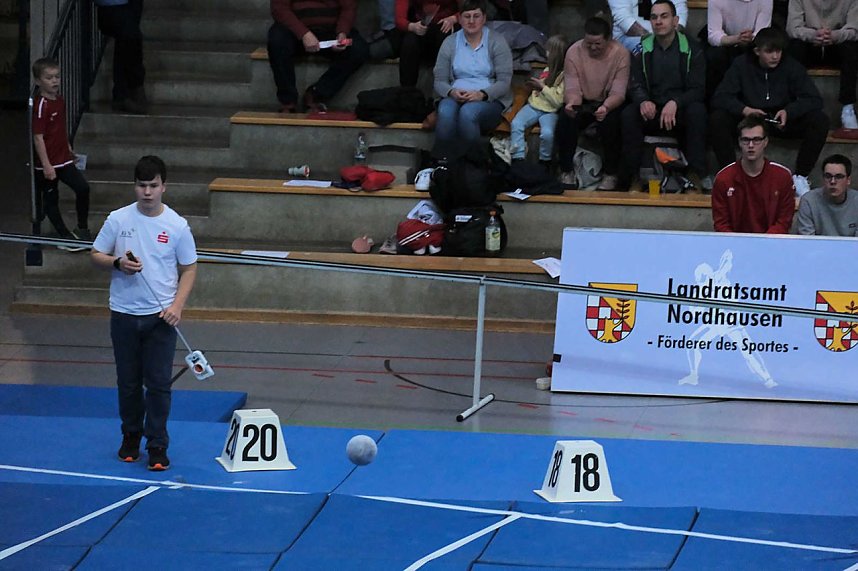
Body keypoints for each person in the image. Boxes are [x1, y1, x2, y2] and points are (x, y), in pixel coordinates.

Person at [90, 156, 198, 471]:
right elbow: (96, 254)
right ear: (134, 187)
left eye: (153, 185)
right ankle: (130, 437)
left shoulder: (177, 225)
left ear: (164, 186)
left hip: (160, 318)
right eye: (141, 185)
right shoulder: (117, 220)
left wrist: (177, 306)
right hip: (122, 314)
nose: (147, 192)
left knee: (159, 384)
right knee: (128, 382)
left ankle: (157, 445)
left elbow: (189, 268)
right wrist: (116, 263)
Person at [710, 27, 829, 197]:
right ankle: (731, 175)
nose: (775, 56)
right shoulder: (741, 65)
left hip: (780, 121)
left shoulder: (791, 66)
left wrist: (789, 111)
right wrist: (745, 110)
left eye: (778, 51)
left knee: (820, 120)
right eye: (769, 51)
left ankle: (800, 176)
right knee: (717, 118)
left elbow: (814, 99)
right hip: (750, 121)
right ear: (757, 51)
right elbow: (721, 97)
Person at [618, 0, 707, 192]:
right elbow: (635, 83)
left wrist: (676, 102)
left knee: (698, 112)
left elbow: (698, 89)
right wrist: (643, 101)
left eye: (664, 16)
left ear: (675, 21)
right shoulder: (642, 48)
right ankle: (634, 175)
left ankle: (695, 173)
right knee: (628, 114)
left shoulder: (693, 48)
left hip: (679, 110)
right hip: (653, 110)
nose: (658, 21)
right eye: (654, 17)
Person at [555, 16, 629, 189]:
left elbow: (619, 91)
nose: (593, 48)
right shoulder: (573, 52)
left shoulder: (621, 54)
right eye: (589, 44)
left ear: (608, 40)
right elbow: (572, 86)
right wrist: (571, 103)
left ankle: (611, 173)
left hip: (609, 102)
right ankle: (566, 171)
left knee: (613, 123)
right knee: (565, 119)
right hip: (583, 100)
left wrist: (606, 106)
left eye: (598, 44)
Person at [432, 0, 512, 151]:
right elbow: (439, 80)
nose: (471, 21)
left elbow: (504, 82)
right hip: (455, 95)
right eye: (467, 16)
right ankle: (443, 163)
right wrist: (451, 92)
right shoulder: (450, 42)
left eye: (476, 16)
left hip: (489, 99)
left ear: (484, 18)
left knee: (468, 113)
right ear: (460, 19)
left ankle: (473, 163)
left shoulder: (497, 41)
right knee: (445, 112)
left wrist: (482, 94)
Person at [31, 58, 91, 251]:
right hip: (48, 163)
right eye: (49, 78)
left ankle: (82, 228)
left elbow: (60, 128)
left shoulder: (60, 100)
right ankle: (64, 237)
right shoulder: (41, 105)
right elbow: (38, 137)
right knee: (51, 200)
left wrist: (67, 146)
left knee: (82, 188)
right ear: (39, 81)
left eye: (57, 76)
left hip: (63, 158)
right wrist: (46, 165)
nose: (55, 81)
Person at [267, 0, 369, 113]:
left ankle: (316, 93)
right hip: (295, 29)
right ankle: (288, 101)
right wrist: (304, 33)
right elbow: (279, 8)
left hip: (331, 30)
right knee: (277, 40)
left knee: (359, 49)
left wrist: (342, 32)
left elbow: (349, 7)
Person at [711, 116, 795, 233]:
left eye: (756, 140)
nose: (751, 145)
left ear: (765, 142)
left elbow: (784, 221)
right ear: (739, 142)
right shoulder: (724, 178)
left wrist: (763, 243)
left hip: (772, 245)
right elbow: (721, 223)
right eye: (746, 140)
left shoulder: (782, 176)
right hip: (735, 246)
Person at [786, 0, 858, 129]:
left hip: (837, 43)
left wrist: (835, 36)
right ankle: (794, 104)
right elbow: (792, 28)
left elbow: (854, 29)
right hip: (810, 43)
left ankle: (848, 107)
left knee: (851, 50)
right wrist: (813, 35)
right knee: (794, 48)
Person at [509, 34, 567, 169]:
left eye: (549, 50)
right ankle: (518, 158)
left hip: (550, 111)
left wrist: (542, 87)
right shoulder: (547, 69)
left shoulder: (564, 75)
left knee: (547, 133)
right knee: (516, 124)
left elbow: (558, 101)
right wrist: (534, 86)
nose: (546, 53)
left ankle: (545, 162)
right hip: (534, 105)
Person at [702, 0, 772, 101]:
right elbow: (713, 35)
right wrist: (736, 39)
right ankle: (717, 102)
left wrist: (750, 38)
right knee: (714, 55)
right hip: (726, 43)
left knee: (765, 50)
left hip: (754, 43)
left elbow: (763, 32)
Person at [94, 0, 147, 114]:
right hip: (112, 5)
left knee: (126, 40)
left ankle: (122, 93)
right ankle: (134, 86)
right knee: (130, 36)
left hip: (129, 4)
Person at [395, 0, 459, 86]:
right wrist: (411, 26)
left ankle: (447, 88)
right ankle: (407, 91)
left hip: (446, 27)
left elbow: (470, 9)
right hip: (421, 28)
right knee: (409, 41)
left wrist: (454, 18)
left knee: (445, 35)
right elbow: (399, 18)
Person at [797, 154, 858, 236]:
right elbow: (808, 242)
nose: (833, 181)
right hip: (817, 248)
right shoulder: (809, 201)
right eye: (828, 176)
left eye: (839, 177)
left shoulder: (856, 201)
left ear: (848, 180)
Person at [608, 0, 688, 53]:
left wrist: (671, 36)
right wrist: (653, 39)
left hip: (668, 33)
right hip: (629, 36)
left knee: (688, 49)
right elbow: (623, 17)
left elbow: (680, 10)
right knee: (650, 52)